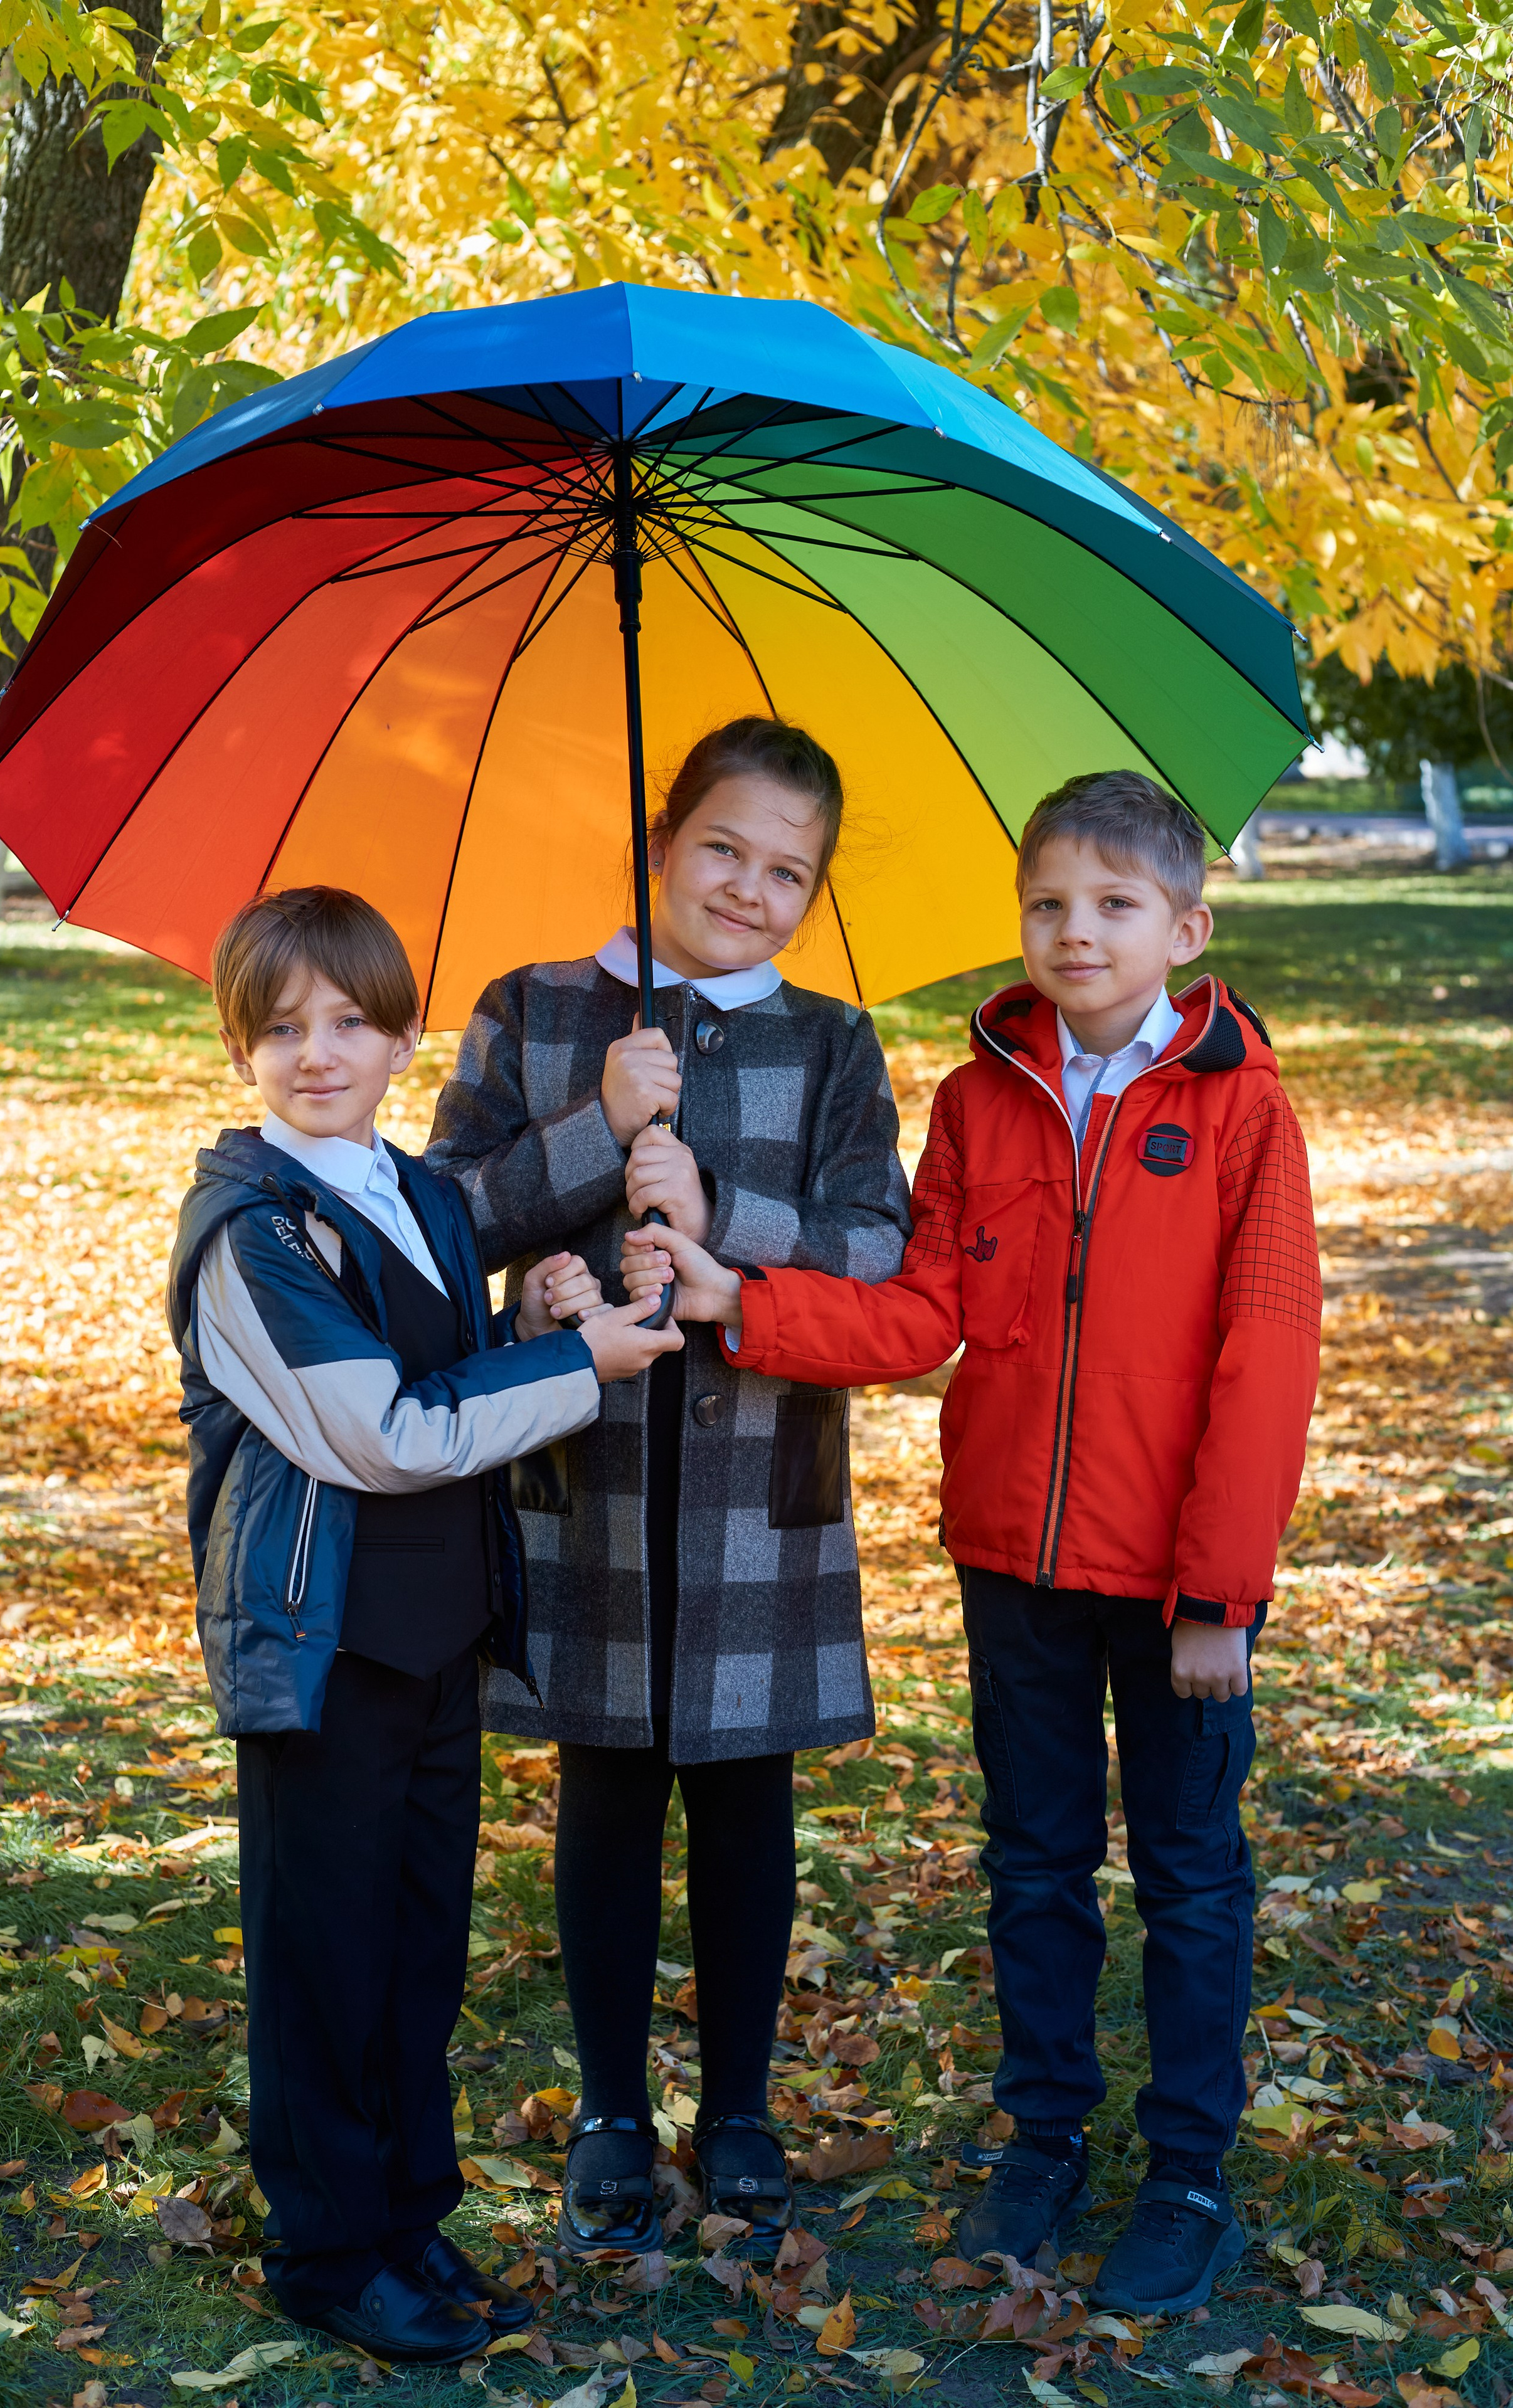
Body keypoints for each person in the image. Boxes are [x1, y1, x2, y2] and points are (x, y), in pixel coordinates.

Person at [621, 772, 1322, 2315]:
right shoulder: (978, 1097)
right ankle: (1043, 2133)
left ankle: (1188, 2165)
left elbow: (1263, 1355)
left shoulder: (1241, 1111)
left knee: (1190, 1877)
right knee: (1033, 1866)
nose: (1075, 933)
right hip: (1013, 1561)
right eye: (1048, 905)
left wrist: (1219, 1593)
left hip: (1176, 1584)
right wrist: (743, 1299)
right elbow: (924, 1310)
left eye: (1113, 906)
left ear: (1183, 929)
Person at [166, 886, 680, 2362]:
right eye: (278, 1030)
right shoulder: (246, 1230)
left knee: (416, 1946)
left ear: (403, 1035)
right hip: (321, 1642)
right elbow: (376, 1430)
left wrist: (538, 1319)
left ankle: (405, 2212)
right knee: (322, 1955)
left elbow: (454, 1372)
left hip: (436, 1630)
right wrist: (582, 1363)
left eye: (346, 1022)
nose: (313, 1053)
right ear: (241, 1051)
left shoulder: (427, 1199)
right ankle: (328, 2250)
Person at [427, 717, 911, 2260]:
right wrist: (592, 1140)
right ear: (660, 833)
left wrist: (721, 1210)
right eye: (723, 848)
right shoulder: (537, 1012)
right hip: (593, 1480)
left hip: (762, 1483)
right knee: (608, 1791)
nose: (750, 889)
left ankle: (745, 2103)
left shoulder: (829, 1047)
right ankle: (610, 2108)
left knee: (745, 1796)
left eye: (788, 871)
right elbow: (441, 1226)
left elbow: (878, 1248)